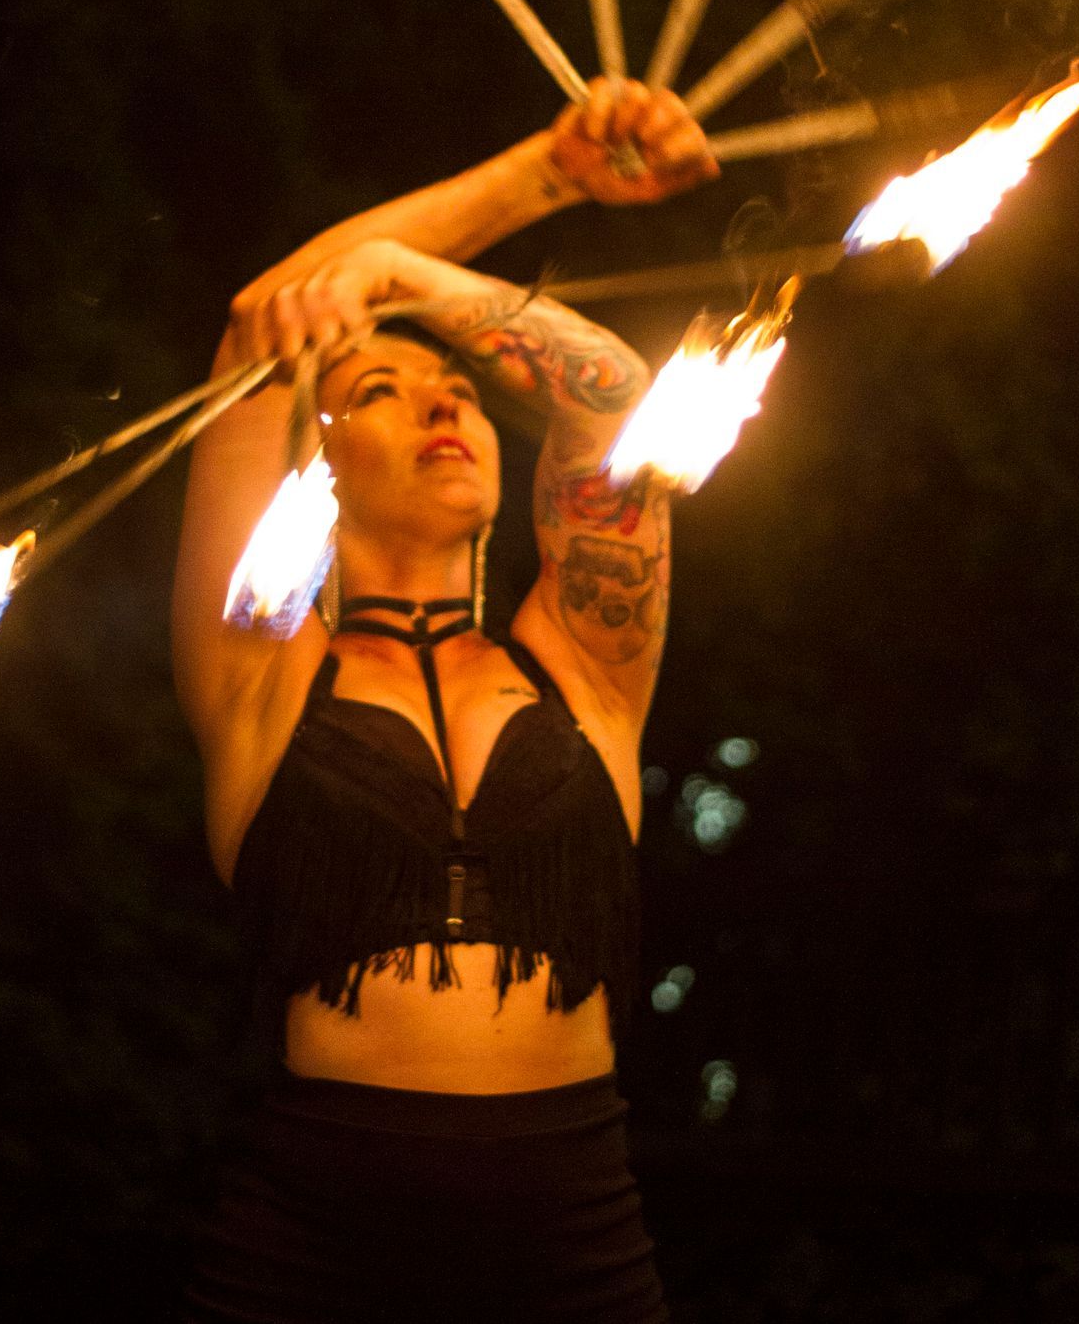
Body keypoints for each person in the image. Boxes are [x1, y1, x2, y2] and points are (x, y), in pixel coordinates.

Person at [174, 79, 719, 1323]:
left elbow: (605, 390)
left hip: (574, 1228)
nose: (445, 400)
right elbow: (265, 322)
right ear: (320, 459)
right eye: (380, 391)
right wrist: (529, 175)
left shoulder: (582, 657)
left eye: (464, 392)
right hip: (310, 1239)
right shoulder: (262, 659)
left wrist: (404, 279)